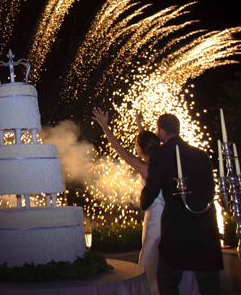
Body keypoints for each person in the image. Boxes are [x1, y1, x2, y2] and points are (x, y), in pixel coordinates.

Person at [92, 108, 199, 295]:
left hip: (156, 219)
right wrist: (140, 126)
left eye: (137, 146)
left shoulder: (144, 166)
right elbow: (149, 143)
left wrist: (104, 126)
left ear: (140, 149)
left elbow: (118, 148)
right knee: (176, 256)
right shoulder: (165, 159)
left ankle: (152, 290)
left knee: (152, 256)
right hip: (174, 216)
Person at [141, 113, 222, 295]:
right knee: (208, 282)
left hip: (178, 225)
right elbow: (211, 189)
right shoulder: (200, 154)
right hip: (205, 224)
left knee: (167, 280)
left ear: (161, 131)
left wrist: (143, 202)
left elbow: (152, 186)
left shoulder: (160, 154)